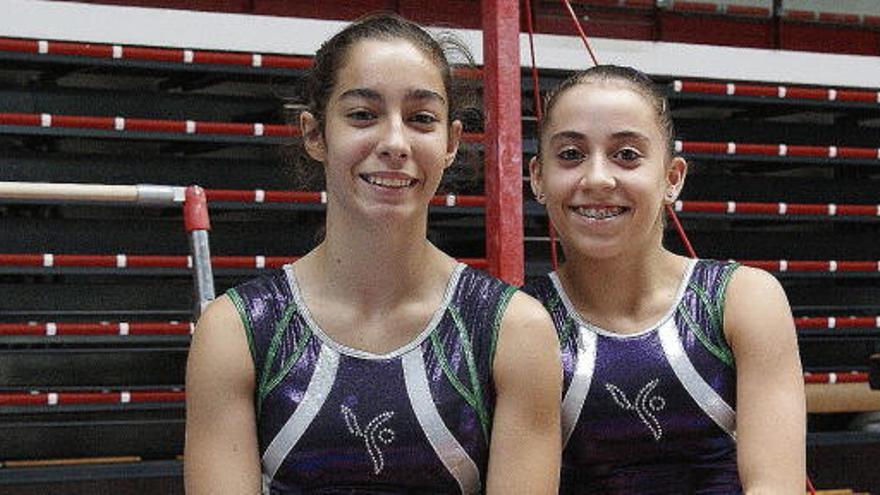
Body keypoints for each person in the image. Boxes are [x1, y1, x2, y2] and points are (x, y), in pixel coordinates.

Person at [184, 14, 561, 494]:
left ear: (451, 142)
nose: (394, 143)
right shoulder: (237, 331)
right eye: (363, 114)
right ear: (315, 134)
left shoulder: (513, 331)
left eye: (422, 119)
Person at [523, 65, 805, 494]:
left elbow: (775, 485)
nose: (597, 178)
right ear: (538, 178)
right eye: (570, 155)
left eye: (627, 155)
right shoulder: (521, 324)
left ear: (672, 178)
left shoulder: (743, 301)